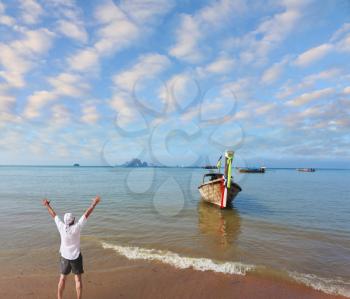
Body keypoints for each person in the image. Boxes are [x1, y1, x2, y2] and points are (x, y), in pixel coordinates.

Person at [42, 196, 101, 299]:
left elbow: (53, 215)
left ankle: (59, 298)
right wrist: (94, 203)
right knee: (77, 280)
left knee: (62, 279)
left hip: (64, 256)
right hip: (76, 256)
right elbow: (87, 214)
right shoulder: (77, 227)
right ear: (73, 220)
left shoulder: (61, 226)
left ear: (65, 221)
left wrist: (47, 205)